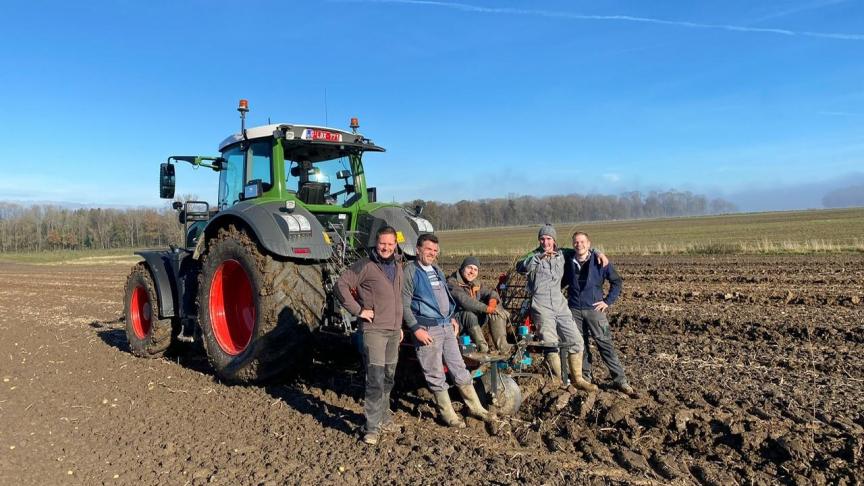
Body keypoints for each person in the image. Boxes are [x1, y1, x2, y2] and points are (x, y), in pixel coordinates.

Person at [403, 233, 490, 427]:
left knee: (459, 367)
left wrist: (451, 317)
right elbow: (403, 304)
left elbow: (445, 299)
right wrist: (416, 329)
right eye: (428, 249)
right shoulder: (410, 272)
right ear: (418, 249)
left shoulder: (437, 270)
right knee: (435, 372)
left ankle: (476, 407)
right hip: (426, 329)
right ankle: (448, 414)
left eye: (435, 250)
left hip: (446, 327)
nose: (431, 253)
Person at [335, 226, 404, 445]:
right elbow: (341, 284)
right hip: (374, 331)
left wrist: (399, 326)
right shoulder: (365, 265)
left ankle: (384, 417)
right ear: (376, 243)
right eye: (382, 243)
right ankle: (371, 428)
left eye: (390, 244)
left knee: (389, 377)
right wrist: (358, 311)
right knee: (375, 379)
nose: (386, 248)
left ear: (395, 245)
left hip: (393, 331)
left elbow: (398, 299)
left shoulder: (398, 265)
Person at [516, 224, 598, 392]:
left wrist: (597, 252)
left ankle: (578, 379)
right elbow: (520, 266)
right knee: (551, 343)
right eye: (542, 239)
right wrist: (538, 257)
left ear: (554, 240)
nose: (546, 242)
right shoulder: (534, 255)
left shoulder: (563, 253)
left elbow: (581, 249)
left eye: (549, 239)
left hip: (560, 304)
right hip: (541, 305)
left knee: (576, 340)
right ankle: (561, 380)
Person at [564, 231, 637, 397]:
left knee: (605, 344)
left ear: (589, 244)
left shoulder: (599, 262)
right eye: (576, 242)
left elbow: (616, 282)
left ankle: (620, 380)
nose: (579, 245)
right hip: (574, 310)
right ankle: (585, 378)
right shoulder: (568, 261)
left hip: (595, 311)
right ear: (572, 244)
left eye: (582, 242)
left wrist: (607, 301)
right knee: (579, 345)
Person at [447, 256, 511, 354]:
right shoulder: (452, 283)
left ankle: (503, 349)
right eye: (469, 268)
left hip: (474, 321)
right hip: (456, 321)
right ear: (462, 268)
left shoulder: (475, 283)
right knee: (470, 314)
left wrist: (493, 302)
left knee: (496, 310)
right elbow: (466, 302)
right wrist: (487, 308)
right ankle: (483, 349)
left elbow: (491, 292)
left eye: (475, 269)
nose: (472, 272)